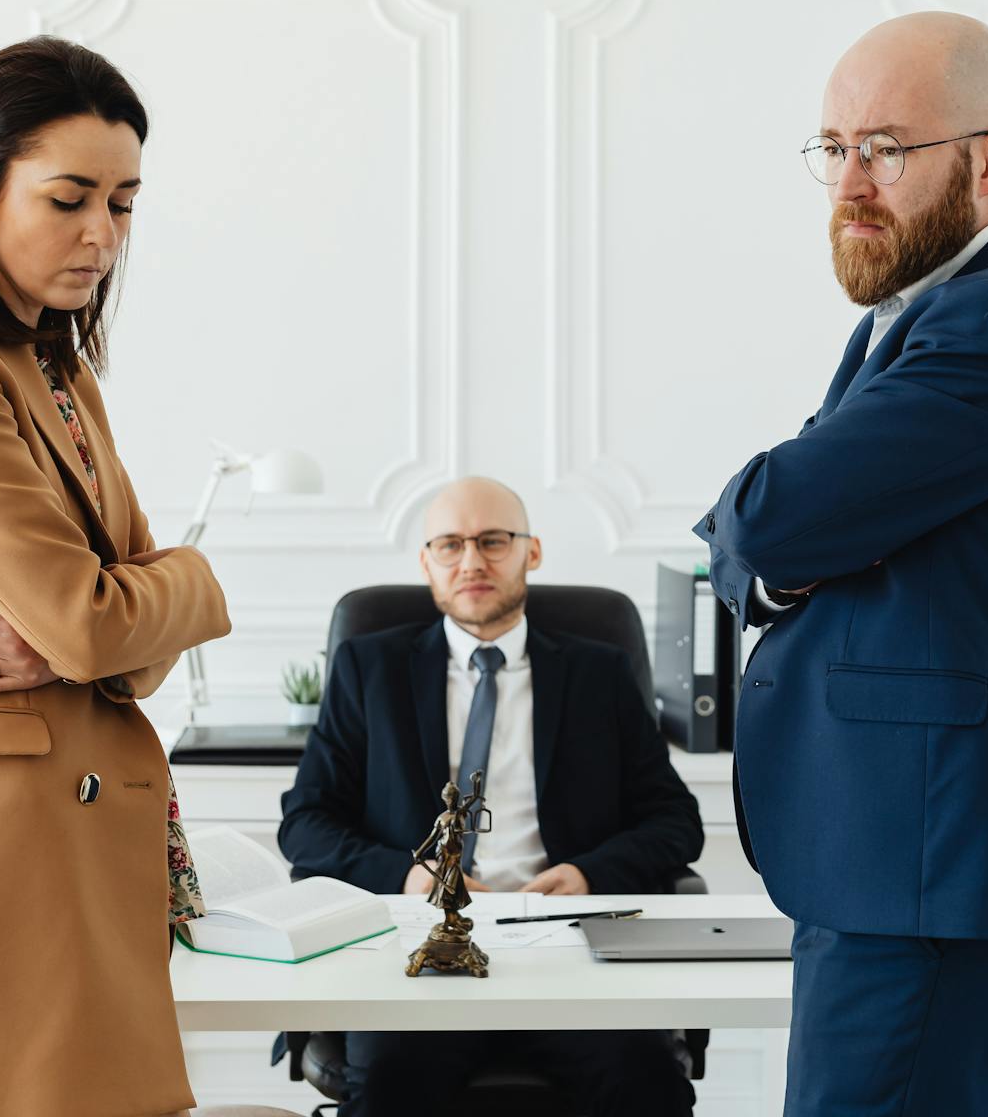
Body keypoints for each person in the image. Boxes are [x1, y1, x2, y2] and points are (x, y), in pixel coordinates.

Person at [0, 36, 294, 1117]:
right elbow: (98, 624)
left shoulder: (58, 370)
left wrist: (101, 624)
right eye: (68, 198)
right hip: (2, 841)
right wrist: (172, 591)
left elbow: (111, 645)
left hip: (84, 827)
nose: (102, 235)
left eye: (124, 203)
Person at [695, 12, 988, 1115]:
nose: (849, 181)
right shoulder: (915, 312)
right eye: (833, 148)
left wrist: (777, 546)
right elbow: (792, 528)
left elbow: (767, 519)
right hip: (894, 860)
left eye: (886, 146)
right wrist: (787, 544)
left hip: (933, 873)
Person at [280, 476, 703, 1117]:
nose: (472, 561)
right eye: (450, 545)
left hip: (565, 952)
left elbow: (676, 822)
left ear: (531, 552)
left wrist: (590, 873)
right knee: (391, 1081)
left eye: (493, 541)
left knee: (645, 1080)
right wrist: (409, 875)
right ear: (427, 562)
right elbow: (305, 823)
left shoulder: (599, 673)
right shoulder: (371, 669)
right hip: (420, 954)